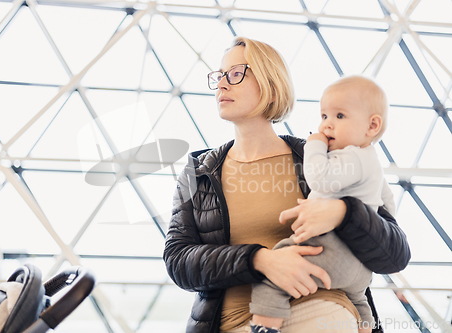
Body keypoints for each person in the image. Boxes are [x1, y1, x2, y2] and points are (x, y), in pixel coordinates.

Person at [163, 37, 410, 333]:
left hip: (317, 312)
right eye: (219, 76)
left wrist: (345, 213)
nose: (222, 85)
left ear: (271, 84)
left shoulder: (325, 157)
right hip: (226, 324)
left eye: (235, 74)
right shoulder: (197, 171)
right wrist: (259, 259)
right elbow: (178, 261)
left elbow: (395, 254)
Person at [249, 75, 395, 333]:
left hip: (331, 249)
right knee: (359, 301)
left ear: (372, 126)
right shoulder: (370, 161)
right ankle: (365, 326)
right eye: (324, 116)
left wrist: (314, 145)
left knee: (275, 270)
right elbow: (388, 206)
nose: (326, 125)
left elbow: (319, 178)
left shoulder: (352, 157)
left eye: (339, 116)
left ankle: (264, 327)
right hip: (359, 267)